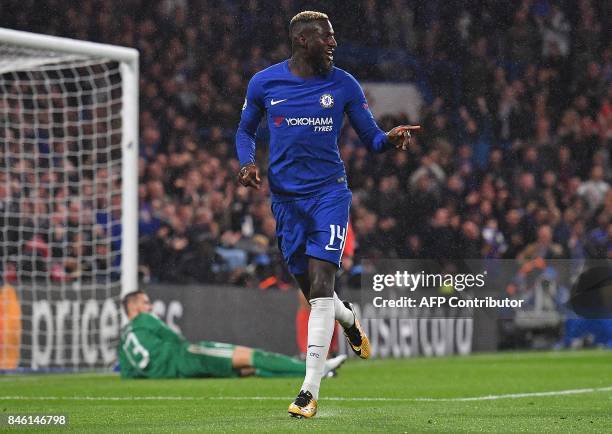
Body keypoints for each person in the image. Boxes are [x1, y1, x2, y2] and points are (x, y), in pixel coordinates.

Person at [235, 10, 419, 418]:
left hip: (329, 194)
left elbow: (370, 138)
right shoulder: (265, 82)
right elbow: (245, 129)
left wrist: (388, 141)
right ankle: (349, 318)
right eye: (326, 37)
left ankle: (308, 392)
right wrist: (247, 163)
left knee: (319, 289)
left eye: (333, 36)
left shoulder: (344, 84)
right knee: (314, 293)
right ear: (303, 40)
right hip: (285, 200)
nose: (334, 43)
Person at [118, 290, 346, 379]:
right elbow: (174, 340)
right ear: (134, 308)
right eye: (145, 303)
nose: (149, 308)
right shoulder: (144, 320)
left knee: (247, 370)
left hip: (174, 375)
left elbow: (128, 374)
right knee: (252, 356)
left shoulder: (123, 340)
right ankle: (318, 368)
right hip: (186, 357)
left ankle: (318, 373)